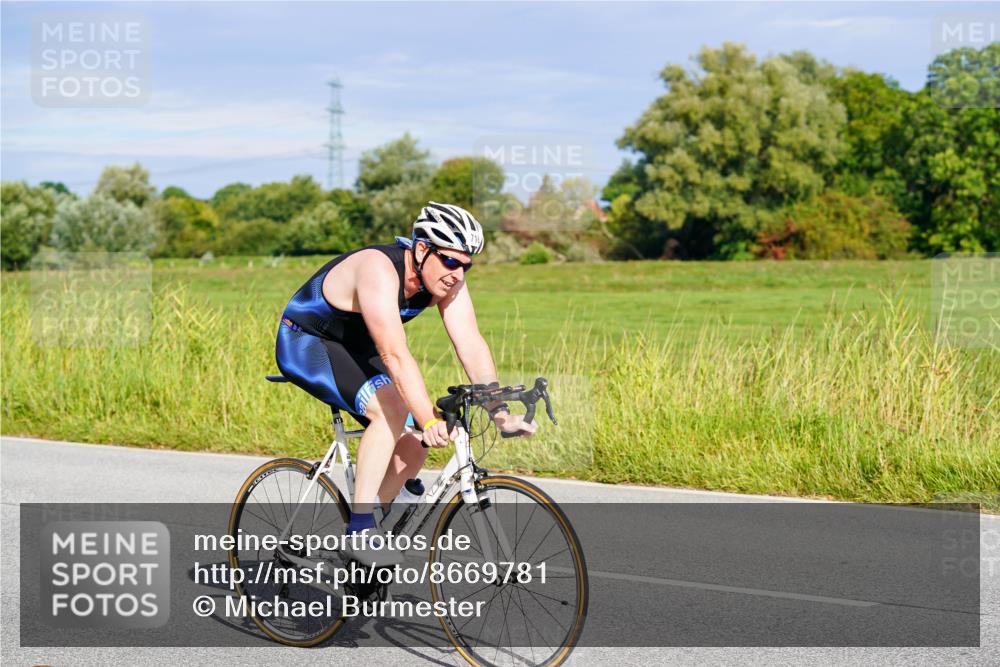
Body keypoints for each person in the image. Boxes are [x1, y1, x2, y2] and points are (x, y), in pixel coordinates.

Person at [275, 202, 537, 566]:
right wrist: (425, 417)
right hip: (307, 341)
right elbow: (395, 355)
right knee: (396, 410)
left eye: (466, 265)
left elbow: (471, 343)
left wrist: (500, 413)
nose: (458, 274)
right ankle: (359, 532)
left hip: (358, 346)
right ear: (422, 249)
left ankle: (362, 531)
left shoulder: (447, 283)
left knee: (417, 438)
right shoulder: (378, 269)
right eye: (450, 262)